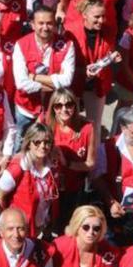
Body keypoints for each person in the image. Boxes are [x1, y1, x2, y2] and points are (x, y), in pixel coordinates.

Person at [12, 6, 75, 136]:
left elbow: (67, 80)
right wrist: (55, 83)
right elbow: (21, 84)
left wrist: (34, 77)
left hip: (54, 109)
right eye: (41, 23)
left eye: (49, 23)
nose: (45, 28)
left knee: (50, 146)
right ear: (32, 25)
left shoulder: (67, 45)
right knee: (18, 146)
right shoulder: (21, 44)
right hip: (26, 109)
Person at [65, 0, 120, 137]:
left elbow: (109, 53)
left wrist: (113, 57)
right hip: (74, 80)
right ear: (84, 15)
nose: (101, 20)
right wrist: (82, 71)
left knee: (94, 124)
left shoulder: (108, 31)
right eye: (96, 17)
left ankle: (93, 156)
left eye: (103, 16)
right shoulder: (69, 31)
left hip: (97, 83)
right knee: (69, 122)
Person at [0, 123, 61, 237]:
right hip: (22, 230)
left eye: (47, 142)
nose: (42, 146)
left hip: (42, 225)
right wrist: (8, 224)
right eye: (37, 142)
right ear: (28, 144)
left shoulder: (52, 166)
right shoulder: (18, 167)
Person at [45, 89, 96, 228]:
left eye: (69, 104)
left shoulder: (87, 128)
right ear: (53, 108)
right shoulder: (47, 124)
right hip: (49, 183)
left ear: (75, 105)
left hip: (73, 185)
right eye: (58, 106)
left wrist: (66, 163)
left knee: (67, 222)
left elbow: (90, 164)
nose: (64, 109)